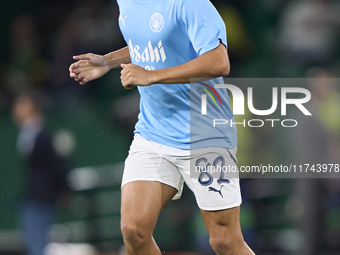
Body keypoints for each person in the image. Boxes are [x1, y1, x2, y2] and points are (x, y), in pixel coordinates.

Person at [69, 0, 255, 254]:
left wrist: (151, 76)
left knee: (224, 241)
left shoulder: (189, 3)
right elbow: (150, 43)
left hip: (204, 133)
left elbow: (218, 61)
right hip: (153, 132)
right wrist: (107, 61)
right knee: (133, 230)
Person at [13, 92, 69, 255]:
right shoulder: (27, 133)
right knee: (32, 241)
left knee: (38, 243)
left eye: (22, 105)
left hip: (42, 197)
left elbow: (57, 165)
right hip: (31, 196)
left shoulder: (44, 135)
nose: (17, 110)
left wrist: (64, 191)